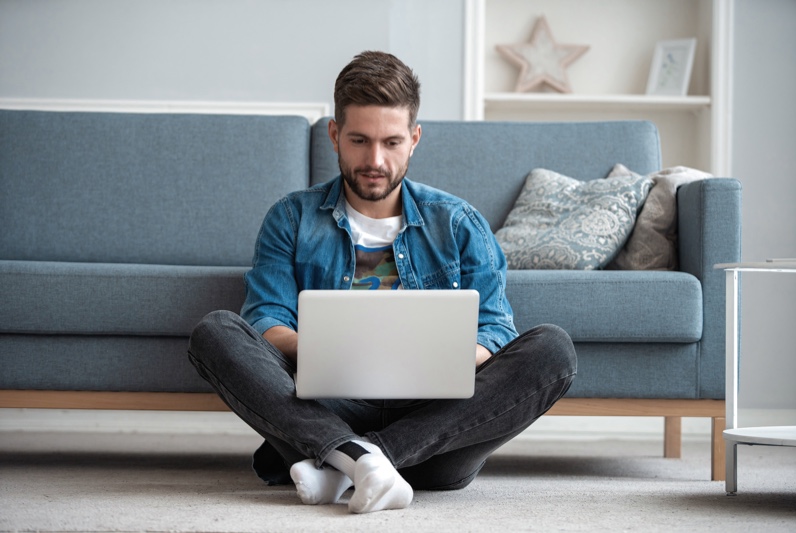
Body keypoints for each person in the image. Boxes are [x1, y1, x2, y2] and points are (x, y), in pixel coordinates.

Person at [188, 50, 577, 514]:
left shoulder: (458, 223)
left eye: (391, 143)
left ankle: (351, 460)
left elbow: (495, 330)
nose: (375, 160)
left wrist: (438, 355)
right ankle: (352, 456)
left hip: (435, 426)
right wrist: (332, 349)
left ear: (414, 139)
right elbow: (267, 321)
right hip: (331, 407)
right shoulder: (290, 218)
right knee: (215, 331)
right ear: (334, 135)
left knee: (553, 348)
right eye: (359, 140)